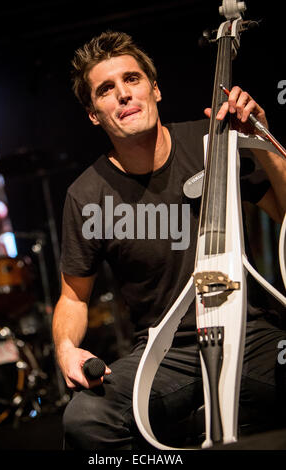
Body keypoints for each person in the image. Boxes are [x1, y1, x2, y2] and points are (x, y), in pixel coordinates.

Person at [52, 31, 286, 450]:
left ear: (155, 90)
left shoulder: (214, 141)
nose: (123, 94)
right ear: (93, 114)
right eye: (106, 89)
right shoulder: (86, 196)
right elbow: (74, 298)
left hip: (253, 334)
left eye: (132, 79)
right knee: (86, 418)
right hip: (168, 353)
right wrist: (67, 348)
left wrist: (264, 141)